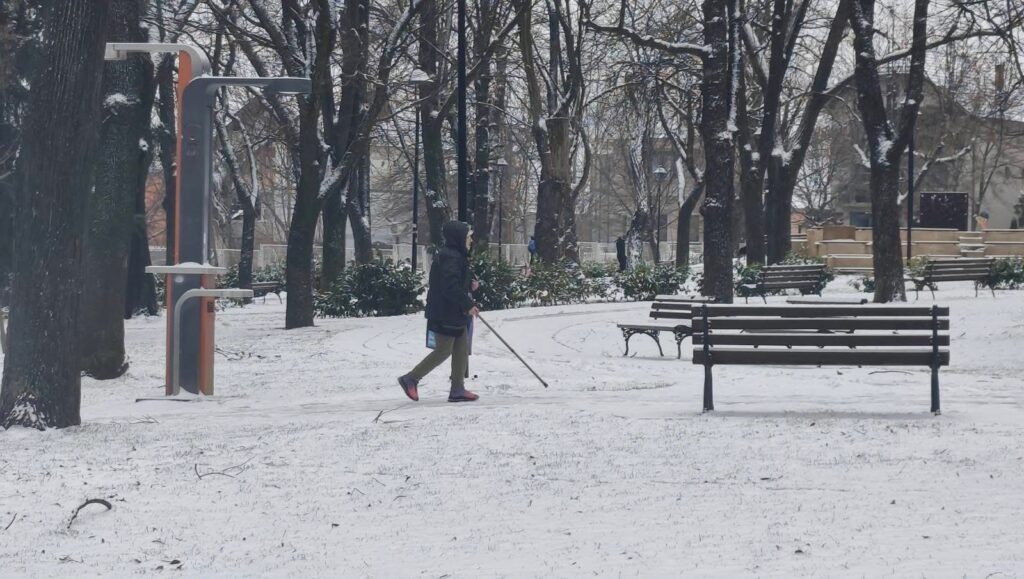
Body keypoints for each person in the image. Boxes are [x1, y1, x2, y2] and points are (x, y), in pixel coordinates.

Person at [398, 221, 480, 403]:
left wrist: (471, 283)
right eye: (468, 237)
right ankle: (411, 378)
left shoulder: (456, 255)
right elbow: (449, 286)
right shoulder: (451, 257)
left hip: (454, 312)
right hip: (445, 312)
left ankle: (457, 388)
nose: (471, 240)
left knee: (461, 347)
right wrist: (468, 304)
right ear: (459, 237)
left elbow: (456, 280)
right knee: (444, 350)